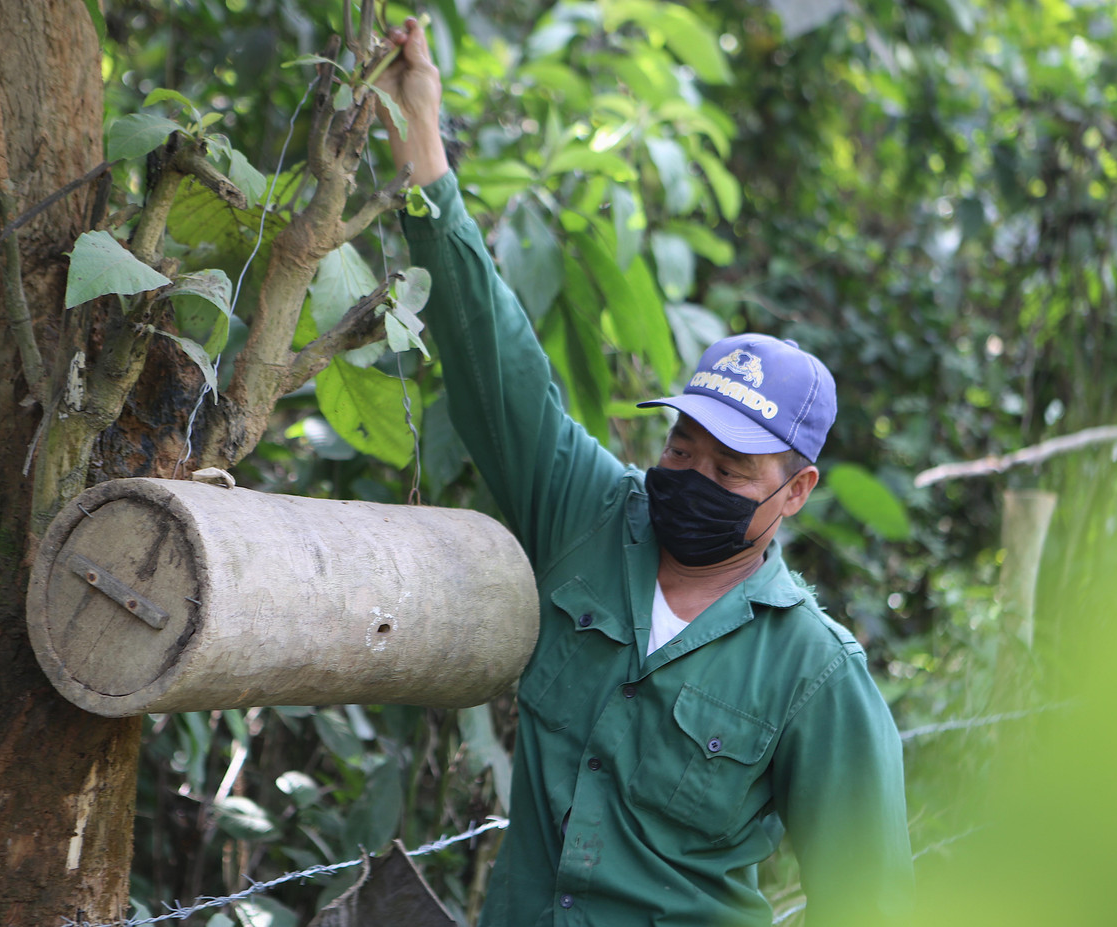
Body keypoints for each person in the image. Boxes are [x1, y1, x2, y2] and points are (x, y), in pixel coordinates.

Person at [377, 19, 914, 927]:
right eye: (680, 449)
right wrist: (423, 149)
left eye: (730, 468)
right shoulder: (589, 513)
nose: (691, 476)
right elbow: (493, 360)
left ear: (796, 491)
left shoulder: (814, 674)